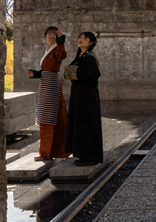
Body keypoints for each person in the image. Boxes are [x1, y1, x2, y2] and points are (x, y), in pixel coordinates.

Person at [27, 26, 67, 160]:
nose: (51, 36)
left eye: (54, 34)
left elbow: (61, 56)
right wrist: (35, 74)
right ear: (45, 37)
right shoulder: (47, 51)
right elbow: (47, 69)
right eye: (49, 34)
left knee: (47, 118)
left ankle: (46, 153)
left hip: (50, 86)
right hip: (45, 84)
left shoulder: (57, 48)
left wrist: (61, 42)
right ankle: (52, 151)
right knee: (47, 117)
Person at [63, 31, 103, 166]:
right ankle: (82, 154)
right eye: (80, 37)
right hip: (79, 96)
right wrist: (70, 70)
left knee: (87, 124)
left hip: (87, 97)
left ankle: (90, 156)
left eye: (85, 38)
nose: (81, 39)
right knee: (80, 124)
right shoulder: (80, 55)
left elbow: (91, 74)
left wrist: (71, 71)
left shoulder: (89, 57)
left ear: (91, 43)